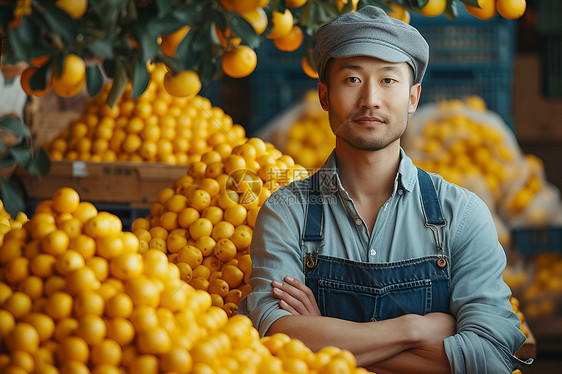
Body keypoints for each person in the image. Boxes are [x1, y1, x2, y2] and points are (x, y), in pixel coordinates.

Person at [238, 6, 531, 374]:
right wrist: (416, 329)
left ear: (413, 98)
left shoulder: (462, 214)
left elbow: (491, 355)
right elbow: (273, 339)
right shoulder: (286, 212)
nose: (370, 100)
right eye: (352, 80)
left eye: (389, 80)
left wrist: (323, 340)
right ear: (324, 96)